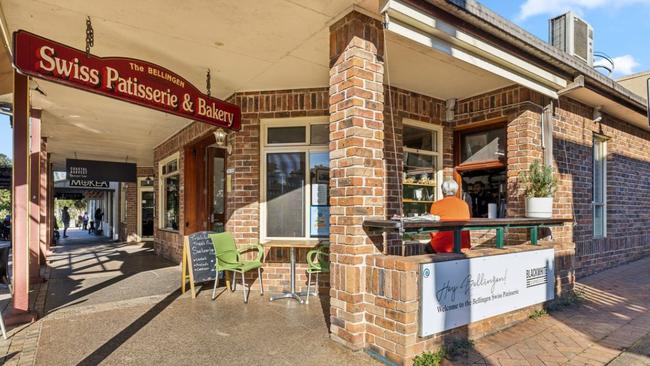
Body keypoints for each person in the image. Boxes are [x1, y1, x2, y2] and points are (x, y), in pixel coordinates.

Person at [429, 180, 471, 253]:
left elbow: (433, 230)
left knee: (427, 248)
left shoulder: (436, 205)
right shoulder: (464, 204)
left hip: (442, 245)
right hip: (463, 244)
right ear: (456, 191)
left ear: (443, 191)